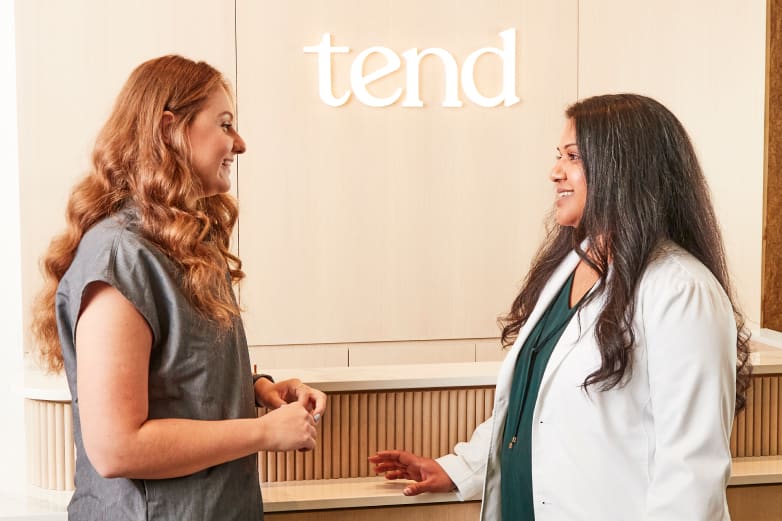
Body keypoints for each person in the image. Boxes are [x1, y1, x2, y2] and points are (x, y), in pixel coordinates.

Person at [370, 93, 751, 520]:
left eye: (572, 157)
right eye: (559, 156)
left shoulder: (681, 290)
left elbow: (691, 471)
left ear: (621, 169)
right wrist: (460, 468)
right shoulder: (571, 264)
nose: (555, 173)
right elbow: (533, 404)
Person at [31, 55, 327, 521]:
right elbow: (117, 448)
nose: (240, 143)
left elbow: (174, 375)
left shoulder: (183, 243)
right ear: (170, 128)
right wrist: (263, 432)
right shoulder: (120, 256)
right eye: (225, 124)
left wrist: (258, 388)